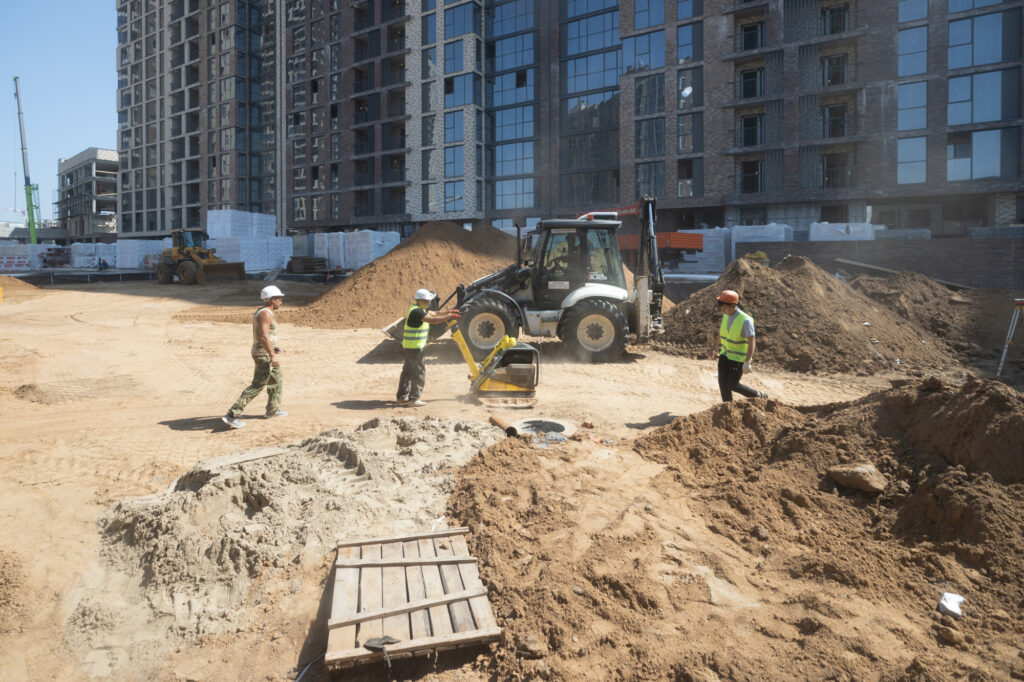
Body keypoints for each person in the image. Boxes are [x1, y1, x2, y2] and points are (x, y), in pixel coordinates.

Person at [222, 285, 288, 429]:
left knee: (276, 379)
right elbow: (263, 335)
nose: (281, 301)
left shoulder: (263, 311)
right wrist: (272, 354)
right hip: (264, 355)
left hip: (265, 351)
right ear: (271, 300)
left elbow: (265, 336)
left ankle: (273, 409)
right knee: (258, 384)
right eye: (279, 299)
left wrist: (273, 346)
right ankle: (232, 415)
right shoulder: (265, 314)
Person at [396, 288, 460, 407]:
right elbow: (433, 320)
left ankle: (402, 396)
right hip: (415, 348)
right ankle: (413, 399)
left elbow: (434, 313)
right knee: (419, 372)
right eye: (426, 301)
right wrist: (449, 316)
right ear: (419, 300)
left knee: (408, 371)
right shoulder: (417, 312)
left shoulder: (417, 309)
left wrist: (450, 312)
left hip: (409, 347)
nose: (429, 303)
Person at [711, 289, 768, 402]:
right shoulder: (726, 315)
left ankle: (759, 395)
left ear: (733, 305)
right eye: (721, 305)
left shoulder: (746, 321)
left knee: (732, 384)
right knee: (722, 383)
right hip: (725, 355)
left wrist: (747, 361)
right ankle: (727, 408)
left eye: (724, 306)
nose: (722, 309)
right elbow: (721, 334)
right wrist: (713, 348)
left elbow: (752, 341)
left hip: (738, 359)